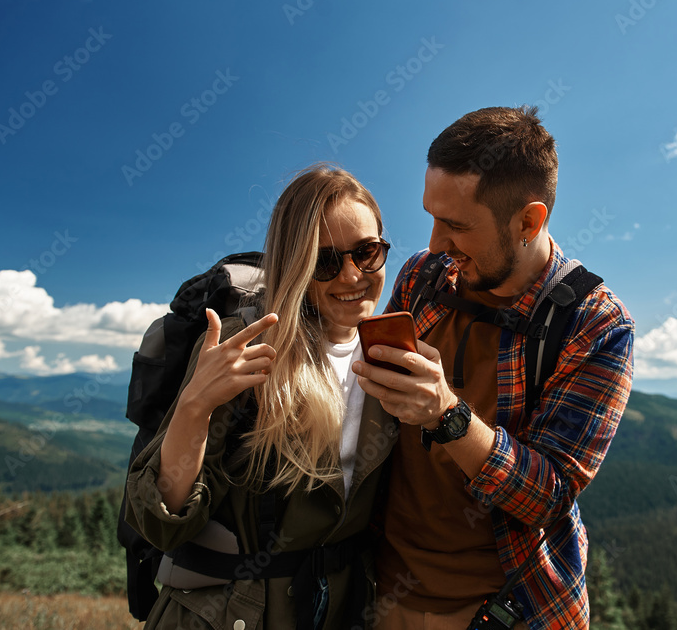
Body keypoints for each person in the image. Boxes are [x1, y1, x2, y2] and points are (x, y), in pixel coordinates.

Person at [352, 106, 634, 629]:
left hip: (505, 610)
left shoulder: (594, 324)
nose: (435, 244)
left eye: (456, 226)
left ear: (529, 221)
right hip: (380, 591)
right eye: (432, 217)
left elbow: (547, 496)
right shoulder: (423, 277)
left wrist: (446, 415)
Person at [125, 165, 398, 630]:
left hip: (340, 608)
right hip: (232, 613)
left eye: (367, 253)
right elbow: (161, 522)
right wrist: (194, 407)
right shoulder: (246, 342)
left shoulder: (390, 351)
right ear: (296, 263)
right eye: (326, 261)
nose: (353, 275)